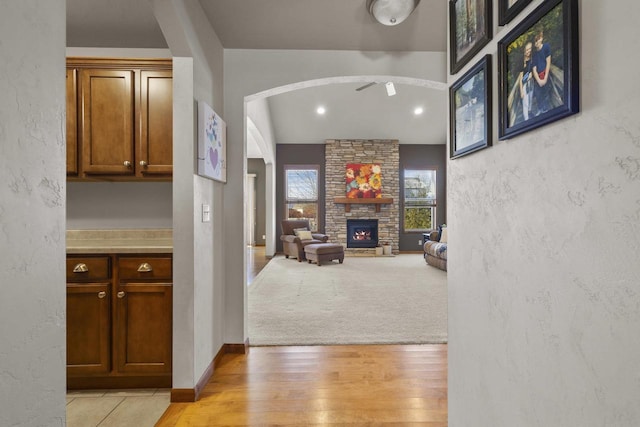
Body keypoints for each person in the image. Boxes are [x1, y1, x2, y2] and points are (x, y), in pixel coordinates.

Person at [532, 29, 552, 115]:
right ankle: (540, 109)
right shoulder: (535, 54)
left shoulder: (546, 47)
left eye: (538, 39)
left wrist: (545, 77)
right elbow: (534, 69)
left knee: (546, 94)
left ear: (541, 39)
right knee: (538, 94)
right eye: (535, 41)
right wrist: (539, 80)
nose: (536, 42)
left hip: (545, 73)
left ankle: (546, 110)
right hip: (538, 77)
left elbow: (548, 62)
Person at [518, 41, 534, 121]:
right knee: (525, 103)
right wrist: (521, 91)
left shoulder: (532, 59)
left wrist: (532, 74)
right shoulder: (521, 61)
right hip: (525, 84)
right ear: (524, 51)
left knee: (530, 99)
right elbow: (520, 77)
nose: (528, 51)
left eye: (530, 49)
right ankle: (526, 119)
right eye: (527, 50)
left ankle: (530, 112)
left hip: (531, 83)